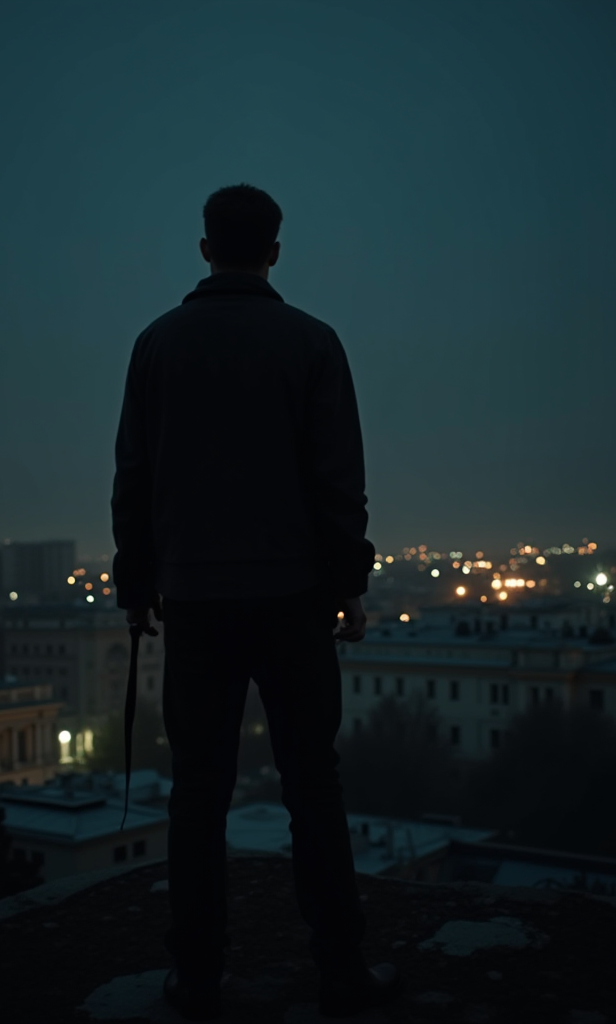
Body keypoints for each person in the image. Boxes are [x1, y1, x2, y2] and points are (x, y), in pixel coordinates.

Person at [111, 183, 402, 1020]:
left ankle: (196, 975)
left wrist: (139, 586)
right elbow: (337, 482)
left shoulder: (156, 346)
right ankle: (340, 969)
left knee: (198, 790)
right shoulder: (312, 343)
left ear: (205, 248)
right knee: (314, 783)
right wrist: (347, 586)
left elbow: (133, 479)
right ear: (275, 251)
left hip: (196, 601)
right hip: (293, 600)